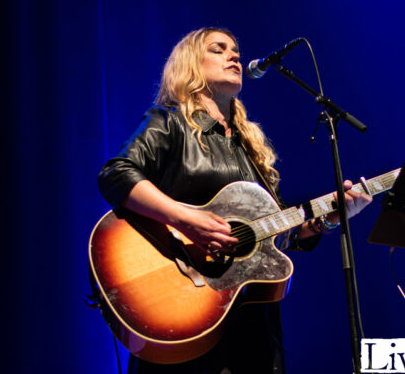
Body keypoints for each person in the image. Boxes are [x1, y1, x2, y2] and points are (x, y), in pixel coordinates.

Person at [98, 27, 372, 374]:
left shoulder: (251, 149)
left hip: (252, 332)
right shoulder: (169, 123)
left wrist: (326, 219)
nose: (234, 56)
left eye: (236, 51)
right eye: (219, 49)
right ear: (191, 65)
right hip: (182, 310)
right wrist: (184, 219)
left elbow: (273, 237)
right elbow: (115, 174)